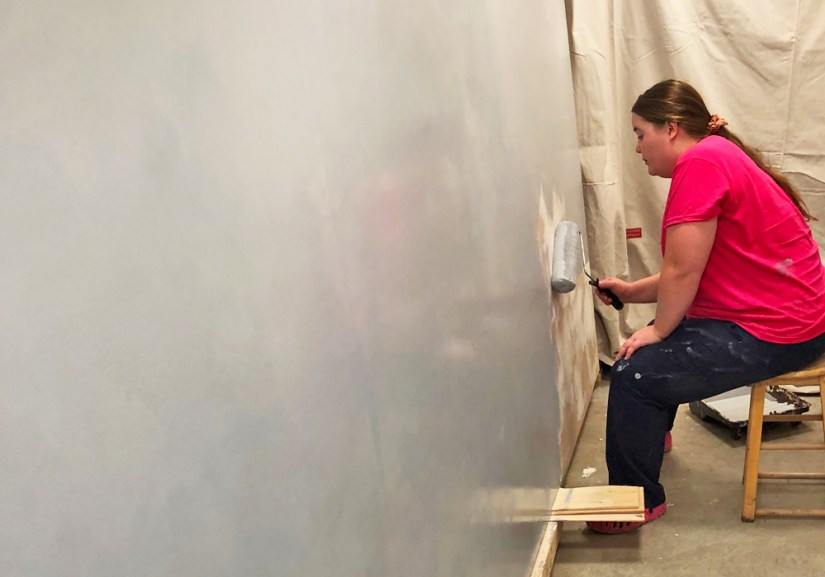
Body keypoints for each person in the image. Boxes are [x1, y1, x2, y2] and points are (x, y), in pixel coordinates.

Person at [588, 79, 825, 534]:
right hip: (794, 318)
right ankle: (648, 433)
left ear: (671, 129)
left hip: (781, 331)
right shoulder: (717, 154)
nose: (637, 147)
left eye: (640, 133)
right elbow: (690, 269)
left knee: (635, 370)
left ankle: (635, 501)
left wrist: (656, 330)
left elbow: (683, 274)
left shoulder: (701, 163)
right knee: (664, 337)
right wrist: (632, 290)